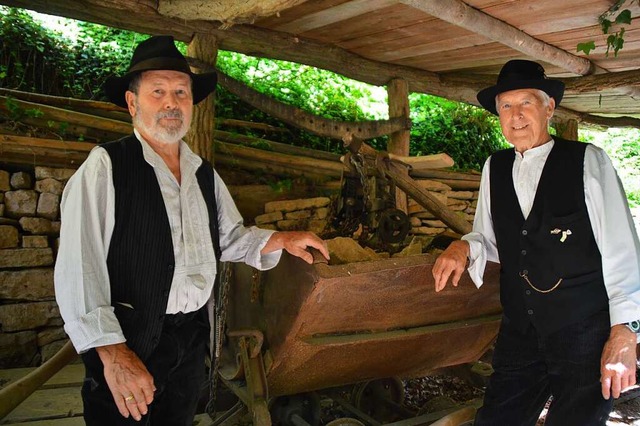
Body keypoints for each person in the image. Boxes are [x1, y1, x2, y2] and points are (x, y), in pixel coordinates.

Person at [54, 35, 329, 426]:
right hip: (131, 339)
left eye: (181, 92)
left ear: (191, 104)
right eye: (158, 91)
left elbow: (229, 237)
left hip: (190, 340)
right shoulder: (106, 166)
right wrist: (113, 354)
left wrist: (279, 239)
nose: (171, 102)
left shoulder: (203, 174)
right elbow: (78, 267)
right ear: (132, 103)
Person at [432, 59, 640, 426]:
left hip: (584, 330)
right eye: (505, 106)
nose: (516, 115)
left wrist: (625, 332)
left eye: (525, 103)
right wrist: (463, 246)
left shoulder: (588, 162)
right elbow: (489, 237)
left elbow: (623, 250)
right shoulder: (493, 167)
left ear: (549, 108)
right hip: (521, 331)